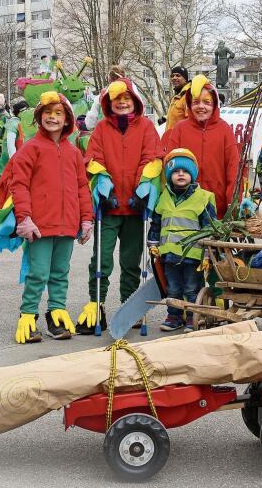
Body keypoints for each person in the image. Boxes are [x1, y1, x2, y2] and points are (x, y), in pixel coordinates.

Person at [76, 78, 163, 333]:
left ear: (134, 101)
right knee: (101, 261)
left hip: (135, 209)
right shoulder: (102, 128)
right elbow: (93, 158)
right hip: (109, 208)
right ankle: (97, 305)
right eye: (117, 99)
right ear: (109, 103)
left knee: (130, 262)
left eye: (126, 98)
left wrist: (142, 188)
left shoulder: (146, 127)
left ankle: (129, 305)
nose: (122, 103)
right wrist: (106, 186)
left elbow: (152, 157)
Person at [9, 91, 93, 343]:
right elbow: (19, 184)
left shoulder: (73, 152)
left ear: (67, 119)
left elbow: (82, 187)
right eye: (48, 113)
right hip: (39, 224)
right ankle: (28, 316)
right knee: (38, 273)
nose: (53, 118)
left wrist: (86, 219)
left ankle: (56, 313)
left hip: (67, 225)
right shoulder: (31, 148)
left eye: (58, 114)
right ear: (39, 117)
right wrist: (24, 217)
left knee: (60, 272)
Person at [148, 149, 217, 332]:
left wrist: (208, 254)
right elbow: (156, 224)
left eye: (185, 171)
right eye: (176, 171)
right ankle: (174, 316)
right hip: (169, 256)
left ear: (192, 175)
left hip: (193, 257)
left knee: (192, 288)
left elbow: (209, 229)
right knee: (173, 288)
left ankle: (194, 316)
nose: (181, 174)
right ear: (170, 176)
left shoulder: (203, 199)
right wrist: (153, 245)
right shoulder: (163, 198)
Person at [162, 75, 241, 218]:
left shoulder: (225, 130)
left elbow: (233, 170)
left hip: (217, 208)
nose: (201, 107)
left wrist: (233, 204)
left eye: (207, 102)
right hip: (184, 208)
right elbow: (168, 167)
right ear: (189, 104)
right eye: (196, 102)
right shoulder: (180, 129)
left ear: (215, 104)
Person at [84, 65, 149, 130]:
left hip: (106, 134)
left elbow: (90, 124)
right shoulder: (133, 95)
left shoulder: (101, 97)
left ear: (109, 79)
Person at [160, 66, 190, 131]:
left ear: (185, 79)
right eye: (172, 76)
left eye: (178, 75)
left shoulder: (188, 95)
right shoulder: (177, 96)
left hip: (181, 139)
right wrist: (166, 118)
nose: (174, 78)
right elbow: (178, 113)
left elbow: (190, 121)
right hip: (171, 138)